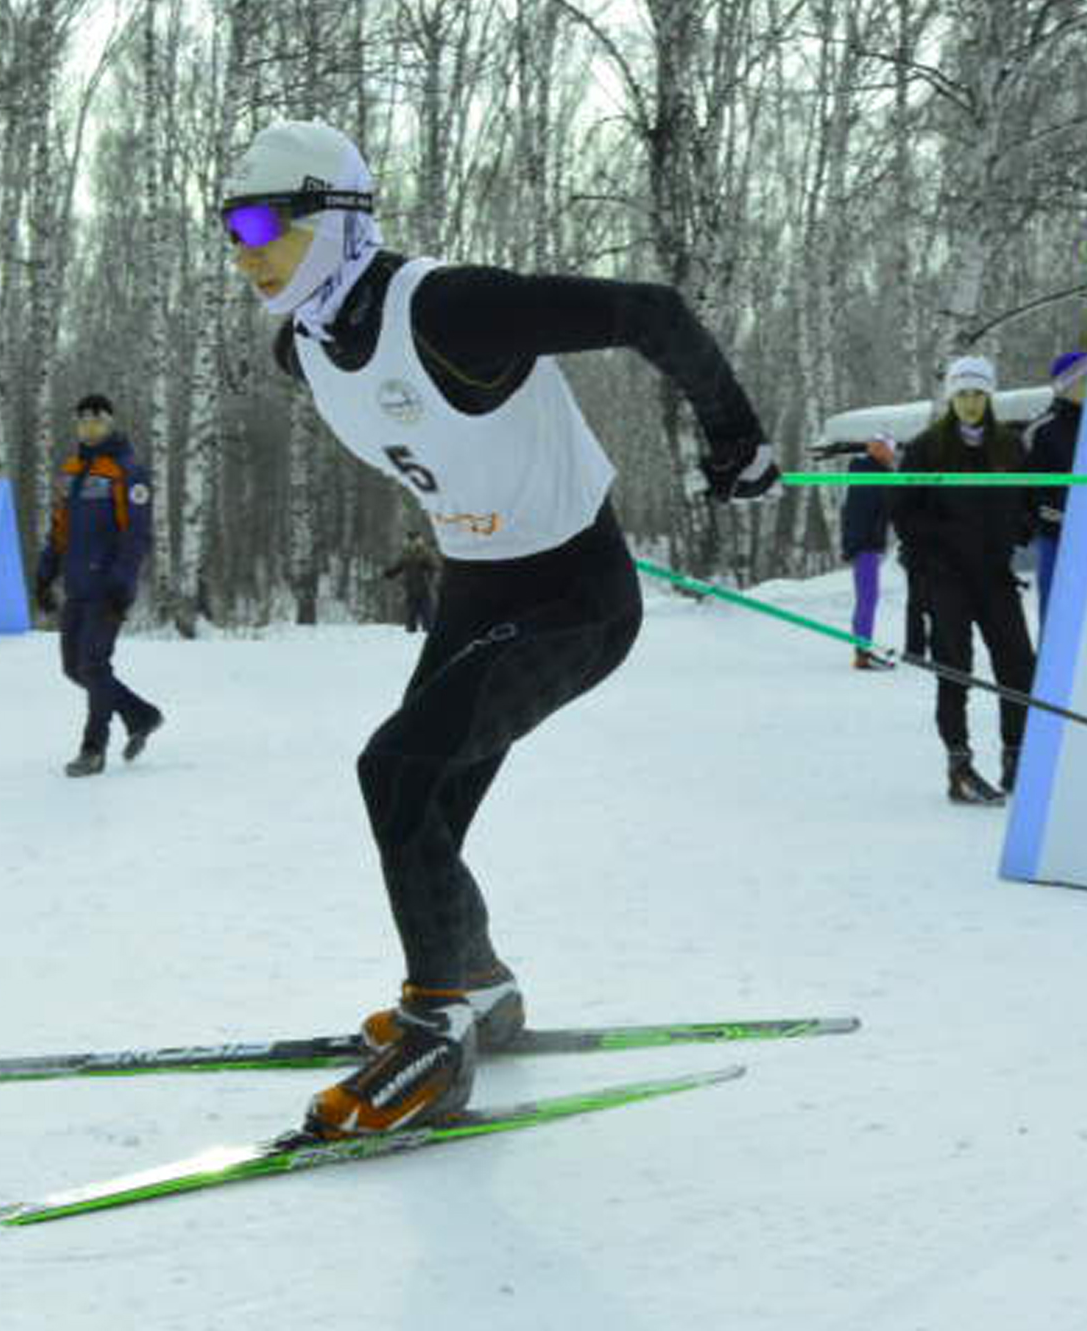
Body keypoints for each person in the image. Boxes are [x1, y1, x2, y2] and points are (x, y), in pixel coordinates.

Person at [219, 118, 776, 1139]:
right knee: (421, 797)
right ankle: (473, 981)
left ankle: (435, 1036)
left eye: (264, 221)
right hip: (477, 589)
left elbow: (649, 313)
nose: (245, 247)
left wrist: (735, 441)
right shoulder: (299, 347)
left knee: (393, 772)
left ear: (339, 220)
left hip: (573, 597)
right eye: (229, 226)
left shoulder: (444, 308)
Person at [891, 355, 1035, 806]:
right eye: (963, 394)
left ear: (989, 397)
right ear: (951, 397)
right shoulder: (925, 449)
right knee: (954, 670)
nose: (971, 403)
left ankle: (1017, 756)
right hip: (946, 576)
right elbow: (903, 513)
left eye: (978, 394)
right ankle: (960, 765)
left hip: (994, 574)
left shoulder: (1011, 447)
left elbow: (1030, 498)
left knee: (1018, 665)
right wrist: (946, 538)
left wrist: (1019, 527)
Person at [34, 394, 164, 778]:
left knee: (94, 664)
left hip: (107, 587)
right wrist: (44, 575)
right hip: (76, 584)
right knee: (75, 668)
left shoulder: (127, 471)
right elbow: (59, 529)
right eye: (83, 420)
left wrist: (121, 587)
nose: (89, 426)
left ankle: (93, 749)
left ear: (111, 423)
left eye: (97, 419)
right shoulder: (72, 470)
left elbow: (136, 535)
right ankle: (141, 714)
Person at [1024, 350, 1087, 629]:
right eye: (1085, 379)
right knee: (1056, 614)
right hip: (1056, 539)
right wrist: (1058, 515)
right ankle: (1050, 669)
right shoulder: (1042, 430)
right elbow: (1030, 490)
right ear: (1066, 384)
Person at [838, 436, 898, 669]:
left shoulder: (873, 471)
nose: (891, 454)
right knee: (868, 597)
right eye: (887, 449)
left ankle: (862, 647)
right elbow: (857, 514)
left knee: (867, 597)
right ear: (878, 450)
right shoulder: (870, 472)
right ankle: (862, 652)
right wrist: (855, 545)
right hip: (865, 545)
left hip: (866, 543)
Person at [383, 530, 440, 633]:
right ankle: (410, 631)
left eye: (415, 539)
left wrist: (430, 573)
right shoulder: (406, 553)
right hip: (410, 586)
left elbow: (435, 567)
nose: (413, 542)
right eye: (410, 540)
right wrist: (391, 572)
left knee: (426, 611)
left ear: (420, 540)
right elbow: (399, 565)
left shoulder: (425, 552)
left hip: (424, 587)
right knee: (411, 612)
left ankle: (428, 631)